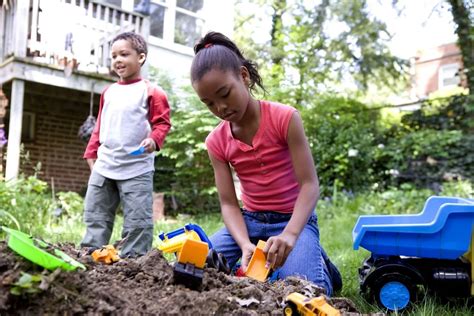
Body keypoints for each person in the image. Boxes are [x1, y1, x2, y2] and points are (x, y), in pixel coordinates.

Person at [190, 32, 341, 295]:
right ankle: (273, 254)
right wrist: (245, 244)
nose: (220, 108)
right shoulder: (216, 141)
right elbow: (228, 203)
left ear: (244, 76)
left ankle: (318, 261)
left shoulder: (285, 118)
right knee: (194, 265)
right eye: (209, 103)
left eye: (225, 94)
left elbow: (309, 184)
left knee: (301, 289)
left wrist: (291, 235)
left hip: (292, 221)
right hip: (248, 223)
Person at [81, 32, 171, 258]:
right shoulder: (109, 92)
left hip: (136, 168)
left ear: (141, 57)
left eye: (124, 54)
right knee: (96, 213)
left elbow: (162, 123)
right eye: (113, 56)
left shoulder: (152, 91)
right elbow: (100, 126)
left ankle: (134, 262)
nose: (117, 60)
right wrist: (91, 154)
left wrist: (154, 140)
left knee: (138, 220)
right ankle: (92, 253)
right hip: (105, 165)